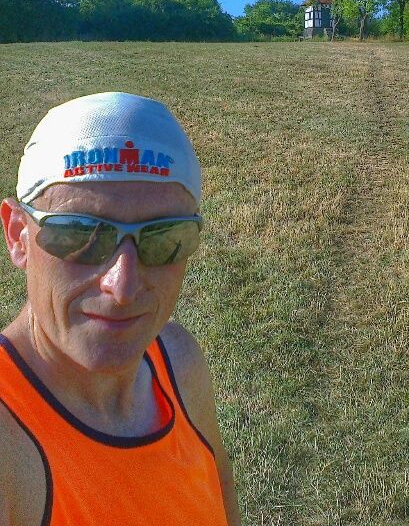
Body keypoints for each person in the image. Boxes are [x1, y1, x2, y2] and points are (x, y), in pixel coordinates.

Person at [0, 92, 241, 526]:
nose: (123, 286)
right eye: (81, 235)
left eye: (163, 238)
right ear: (18, 235)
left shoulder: (176, 359)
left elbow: (221, 495)